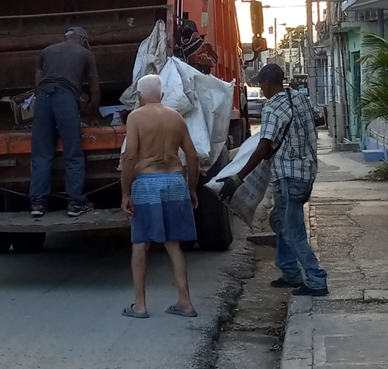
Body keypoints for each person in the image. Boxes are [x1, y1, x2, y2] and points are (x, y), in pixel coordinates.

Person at [218, 63, 328, 297]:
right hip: (307, 173)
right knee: (278, 220)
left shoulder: (272, 108)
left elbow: (263, 146)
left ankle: (316, 279)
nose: (261, 87)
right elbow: (319, 119)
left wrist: (238, 178)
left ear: (268, 84)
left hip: (288, 177)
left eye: (261, 84)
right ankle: (290, 272)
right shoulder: (300, 98)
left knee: (292, 230)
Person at [121, 74, 199, 319]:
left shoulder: (136, 117)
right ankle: (185, 302)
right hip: (175, 181)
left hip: (147, 183)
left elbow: (130, 156)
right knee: (173, 243)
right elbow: (193, 156)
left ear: (139, 96)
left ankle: (140, 305)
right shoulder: (176, 117)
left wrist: (125, 192)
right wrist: (192, 188)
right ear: (162, 95)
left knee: (141, 244)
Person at [29, 26, 100, 218]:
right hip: (65, 98)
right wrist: (94, 115)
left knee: (41, 153)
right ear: (83, 40)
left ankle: (37, 203)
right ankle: (76, 203)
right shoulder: (85, 53)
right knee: (73, 153)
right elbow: (94, 88)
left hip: (44, 97)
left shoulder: (46, 51)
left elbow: (37, 83)